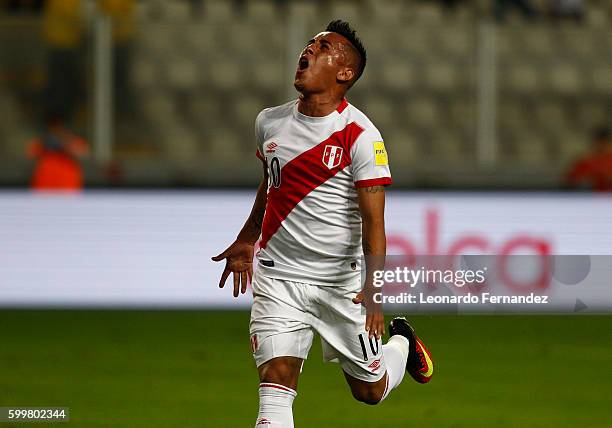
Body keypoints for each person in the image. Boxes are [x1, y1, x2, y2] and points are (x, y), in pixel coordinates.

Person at [212, 20, 434, 427]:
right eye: (309, 44)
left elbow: (374, 223)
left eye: (323, 47)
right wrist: (247, 238)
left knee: (370, 391)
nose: (309, 50)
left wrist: (373, 290)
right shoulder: (269, 122)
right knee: (276, 383)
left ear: (345, 73)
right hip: (280, 278)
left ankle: (402, 344)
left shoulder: (361, 137)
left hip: (341, 285)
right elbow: (273, 184)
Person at [27, 112, 89, 191]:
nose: (56, 131)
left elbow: (83, 154)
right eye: (53, 128)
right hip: (44, 187)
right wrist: (44, 144)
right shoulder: (43, 141)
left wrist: (64, 145)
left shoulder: (72, 140)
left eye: (59, 127)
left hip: (68, 187)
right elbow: (30, 154)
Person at [565, 127, 612, 192]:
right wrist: (586, 181)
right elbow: (569, 181)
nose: (601, 145)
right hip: (589, 198)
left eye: (603, 142)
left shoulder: (610, 159)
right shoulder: (586, 161)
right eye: (598, 141)